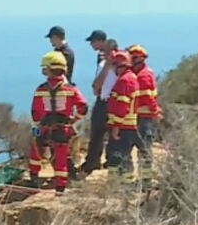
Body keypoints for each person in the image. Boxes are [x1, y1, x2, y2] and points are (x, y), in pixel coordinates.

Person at [28, 51, 88, 195]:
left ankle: (34, 179)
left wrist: (37, 126)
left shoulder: (41, 89)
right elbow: (83, 107)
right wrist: (75, 118)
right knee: (61, 159)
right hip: (63, 129)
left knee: (35, 152)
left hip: (43, 128)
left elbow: (35, 113)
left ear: (50, 69)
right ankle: (60, 189)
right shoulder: (71, 89)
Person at [80, 31, 119, 176]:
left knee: (100, 132)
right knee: (103, 133)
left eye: (93, 42)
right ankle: (96, 161)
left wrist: (107, 65)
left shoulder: (108, 64)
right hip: (108, 100)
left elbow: (97, 85)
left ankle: (97, 162)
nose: (91, 45)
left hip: (108, 101)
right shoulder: (105, 62)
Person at [44, 25, 79, 179]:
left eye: (52, 38)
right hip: (60, 96)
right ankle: (64, 169)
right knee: (56, 136)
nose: (51, 41)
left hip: (61, 97)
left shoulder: (64, 53)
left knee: (59, 136)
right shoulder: (65, 52)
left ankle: (67, 171)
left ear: (57, 37)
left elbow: (62, 76)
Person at [128, 44, 162, 178]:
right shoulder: (138, 74)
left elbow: (148, 97)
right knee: (137, 148)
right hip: (137, 117)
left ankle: (145, 179)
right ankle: (138, 178)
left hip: (144, 118)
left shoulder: (144, 75)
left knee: (144, 149)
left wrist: (155, 111)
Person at [105, 50, 138, 176]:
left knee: (118, 155)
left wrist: (116, 126)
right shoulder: (131, 78)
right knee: (123, 155)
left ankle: (118, 184)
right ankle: (120, 183)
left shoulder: (124, 81)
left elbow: (122, 105)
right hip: (126, 125)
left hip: (123, 126)